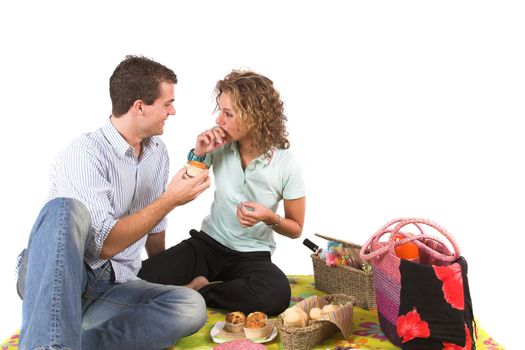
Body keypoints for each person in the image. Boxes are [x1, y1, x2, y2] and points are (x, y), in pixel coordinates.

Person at [15, 55, 211, 350]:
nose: (173, 111)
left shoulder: (157, 152)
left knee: (189, 305)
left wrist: (168, 284)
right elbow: (104, 245)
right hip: (62, 273)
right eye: (167, 103)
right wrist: (170, 199)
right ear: (139, 106)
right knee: (64, 209)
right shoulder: (84, 153)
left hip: (112, 286)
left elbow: (154, 228)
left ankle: (71, 338)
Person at [138, 70, 306, 316]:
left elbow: (296, 228)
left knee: (276, 294)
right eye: (221, 111)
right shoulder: (221, 145)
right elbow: (188, 187)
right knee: (139, 277)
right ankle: (206, 290)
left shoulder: (285, 164)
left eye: (228, 114)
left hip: (252, 255)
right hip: (208, 244)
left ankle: (200, 292)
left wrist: (269, 218)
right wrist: (200, 152)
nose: (219, 120)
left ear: (254, 117)